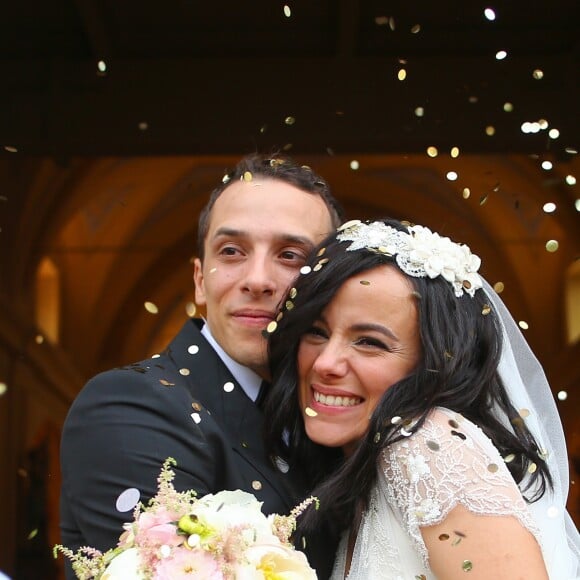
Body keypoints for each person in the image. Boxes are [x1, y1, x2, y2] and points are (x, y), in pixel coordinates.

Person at [59, 153, 344, 579]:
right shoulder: (129, 405)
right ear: (199, 280)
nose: (258, 279)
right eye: (232, 251)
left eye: (289, 255)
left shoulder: (333, 419)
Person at [265, 218, 580, 579]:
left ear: (432, 365)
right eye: (316, 332)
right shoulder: (367, 476)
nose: (325, 363)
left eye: (369, 342)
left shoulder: (428, 444)